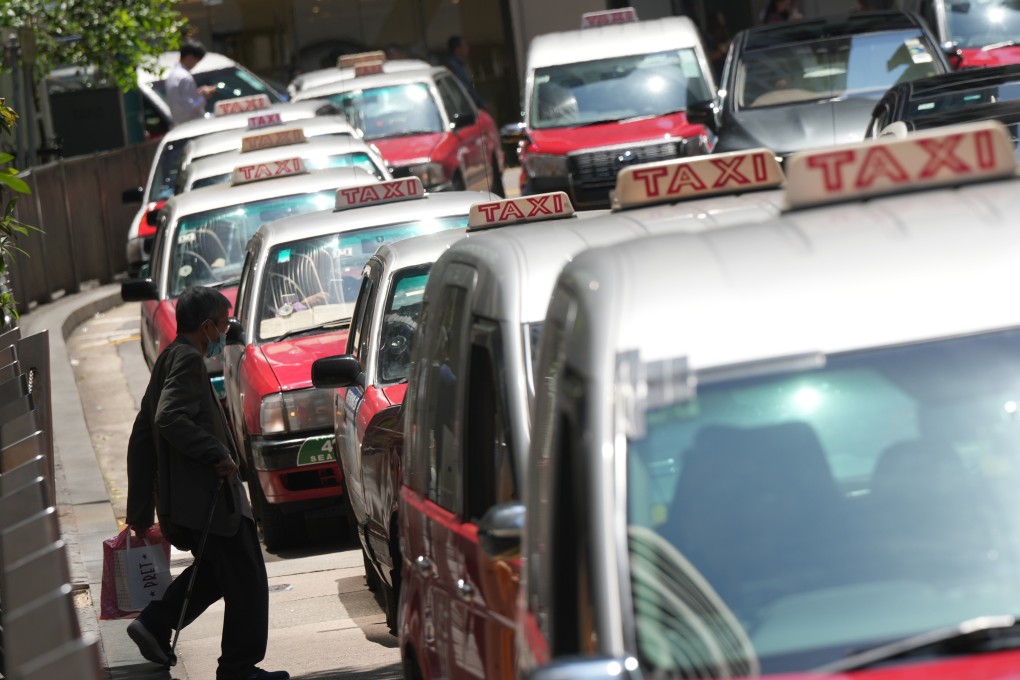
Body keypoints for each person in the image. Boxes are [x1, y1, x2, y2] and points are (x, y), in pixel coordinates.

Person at [125, 286, 288, 680]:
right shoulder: (186, 361)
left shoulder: (169, 357)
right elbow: (167, 417)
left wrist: (140, 509)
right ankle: (238, 668)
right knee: (246, 575)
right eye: (223, 325)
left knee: (218, 572)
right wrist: (216, 452)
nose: (225, 333)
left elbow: (142, 433)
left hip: (191, 502)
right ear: (206, 326)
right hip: (209, 502)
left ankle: (155, 622)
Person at [167, 40, 218, 126]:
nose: (196, 64)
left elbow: (183, 101)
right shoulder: (185, 77)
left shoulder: (172, 76)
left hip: (180, 125)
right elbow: (190, 108)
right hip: (193, 125)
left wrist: (198, 94)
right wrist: (204, 96)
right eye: (196, 60)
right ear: (190, 57)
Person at [446, 35, 486, 108]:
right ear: (457, 49)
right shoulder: (453, 66)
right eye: (464, 45)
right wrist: (481, 103)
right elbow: (466, 88)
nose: (467, 48)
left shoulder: (461, 64)